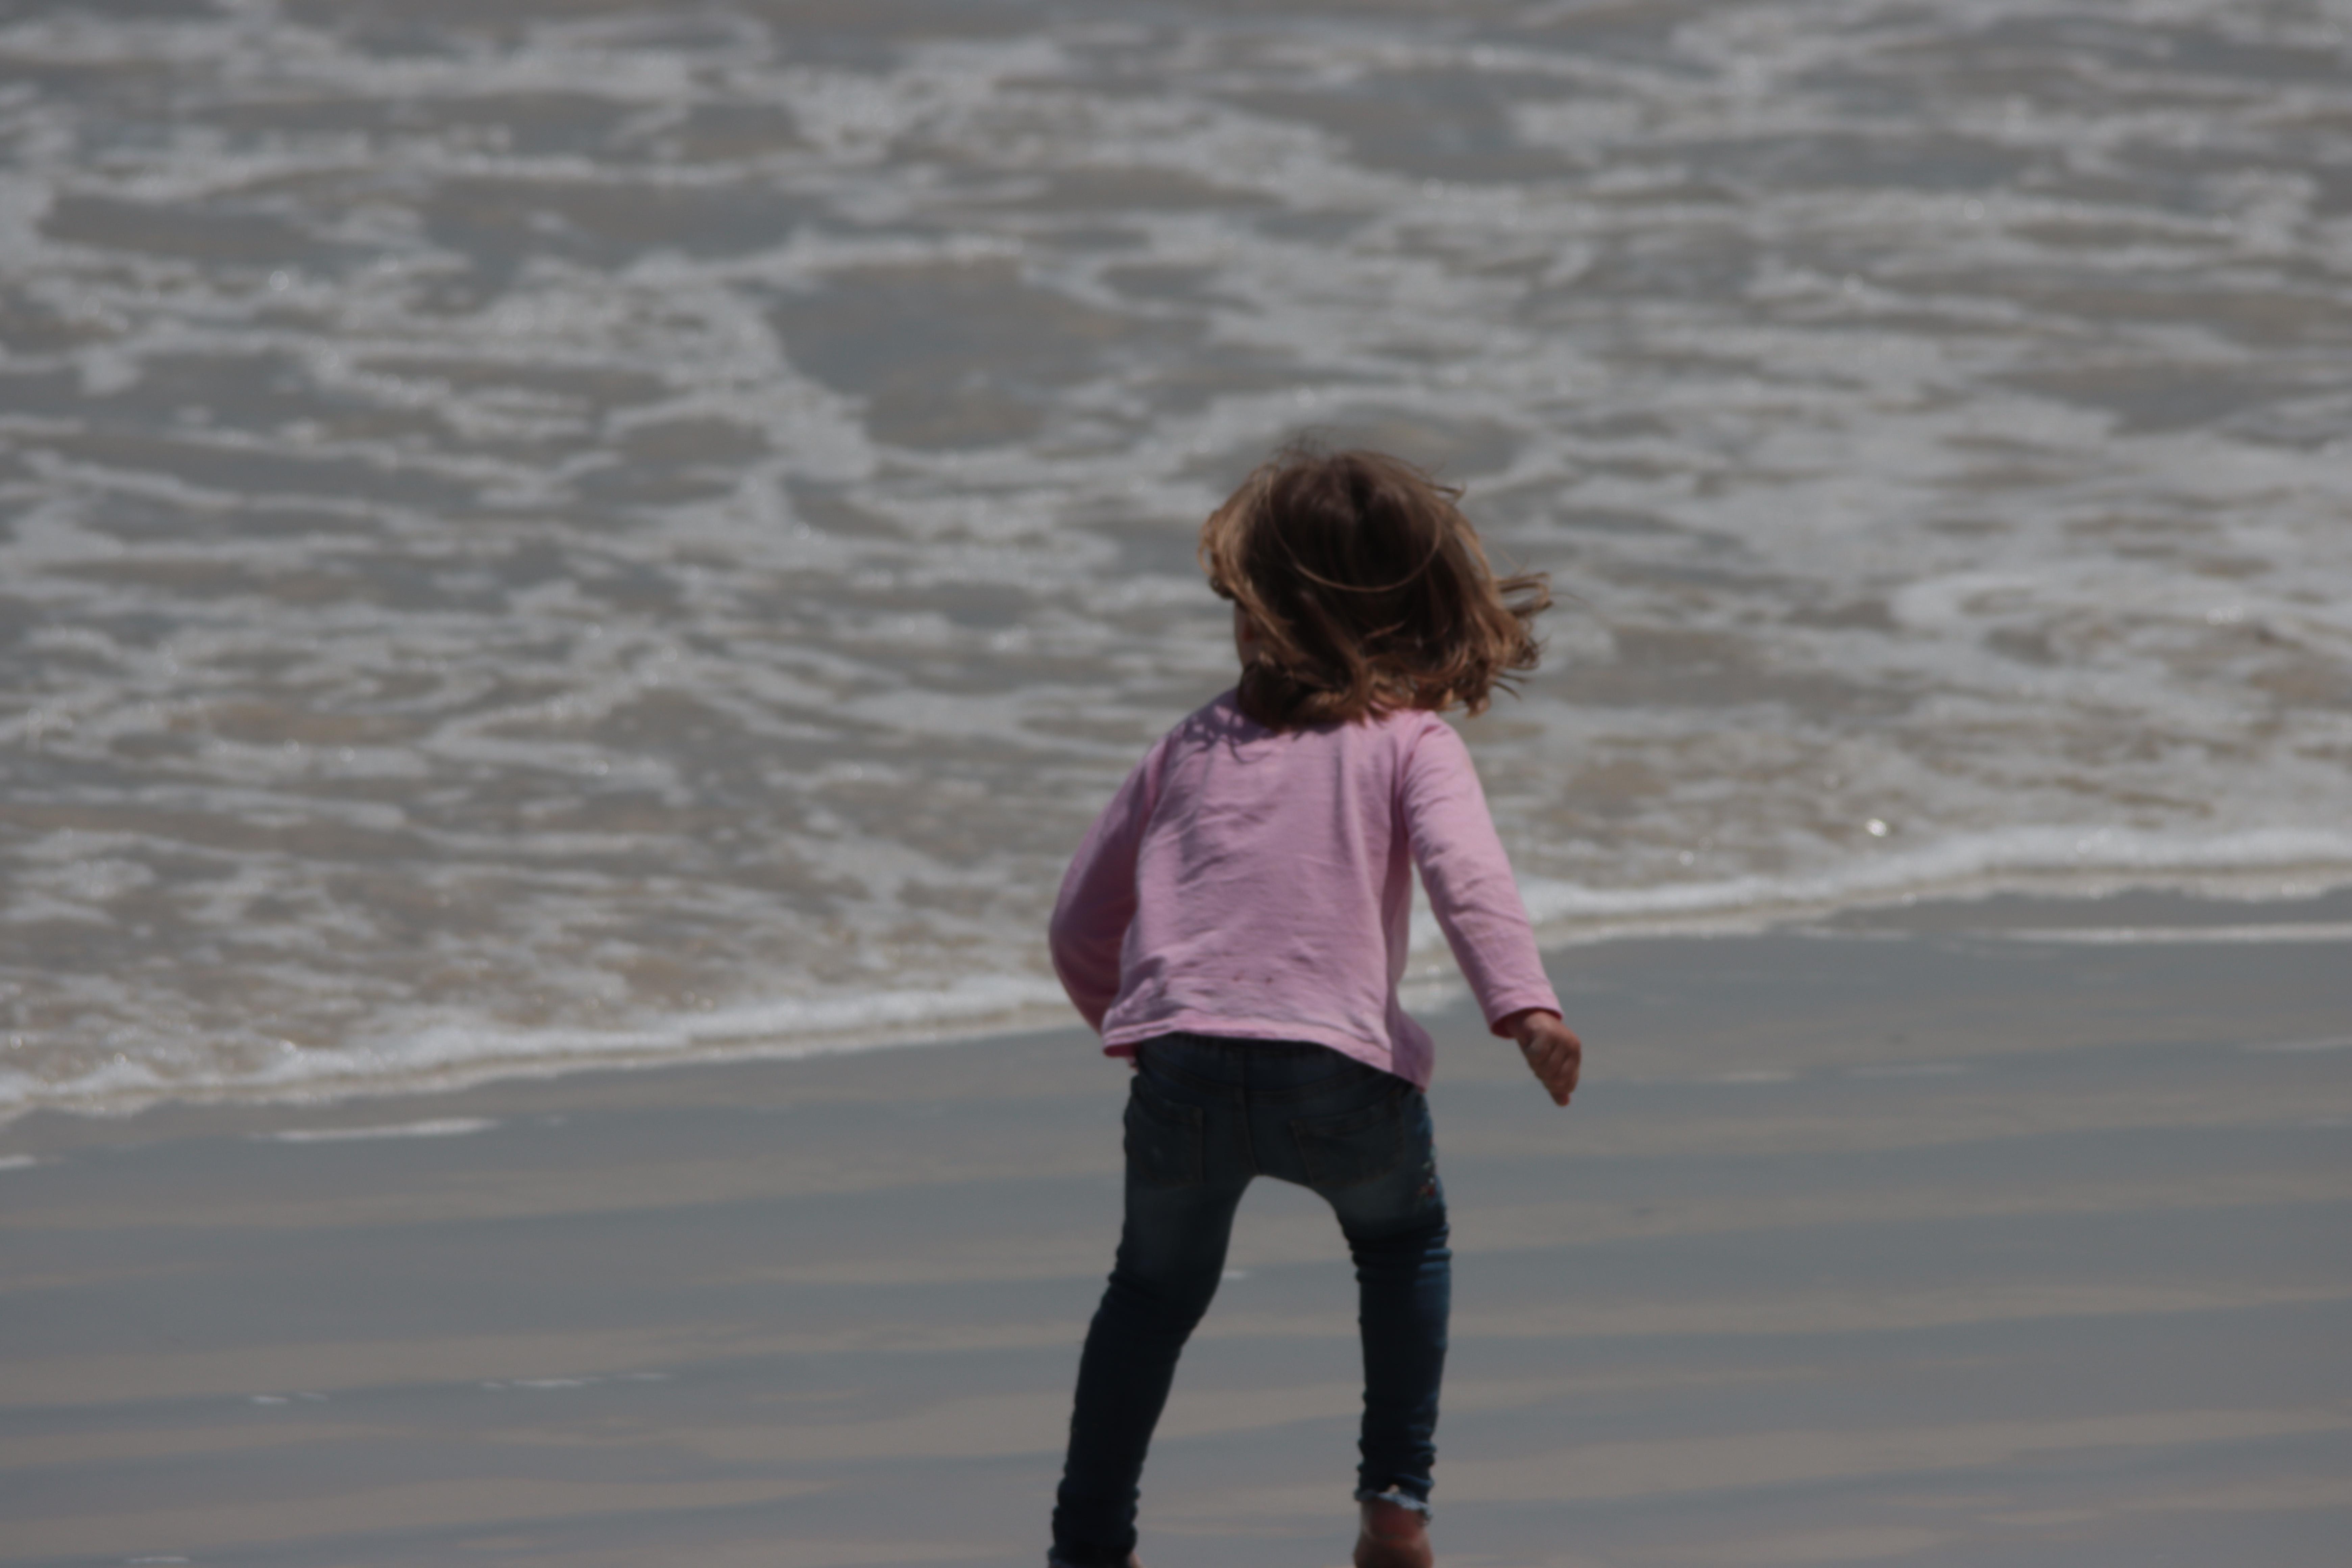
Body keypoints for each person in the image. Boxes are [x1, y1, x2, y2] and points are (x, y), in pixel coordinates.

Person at [1044, 445, 1585, 1568]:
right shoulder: (1411, 743)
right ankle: (1395, 1502)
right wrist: (1524, 1008)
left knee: (1148, 1298)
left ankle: (1088, 1542)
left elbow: (1078, 927)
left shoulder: (1186, 747)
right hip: (1338, 1074)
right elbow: (1466, 877)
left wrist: (1136, 1023)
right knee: (1403, 1245)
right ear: (1415, 608)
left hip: (1183, 1066)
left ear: (1255, 604)